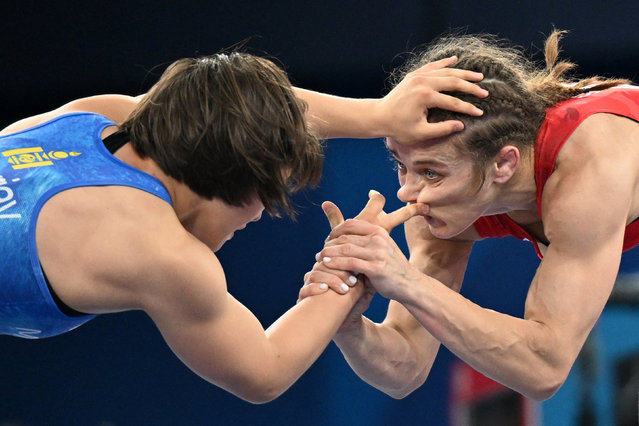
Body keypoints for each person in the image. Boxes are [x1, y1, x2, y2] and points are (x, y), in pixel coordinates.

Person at [0, 50, 486, 403]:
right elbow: (263, 372)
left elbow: (226, 100)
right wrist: (351, 265)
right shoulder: (159, 253)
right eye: (262, 197)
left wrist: (378, 115)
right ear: (228, 180)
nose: (257, 216)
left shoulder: (96, 117)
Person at [302, 30, 639, 401]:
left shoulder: (589, 166)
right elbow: (406, 367)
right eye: (401, 165)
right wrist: (347, 323)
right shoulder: (437, 210)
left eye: (431, 172)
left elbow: (544, 368)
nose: (406, 193)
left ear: (504, 164)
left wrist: (404, 280)